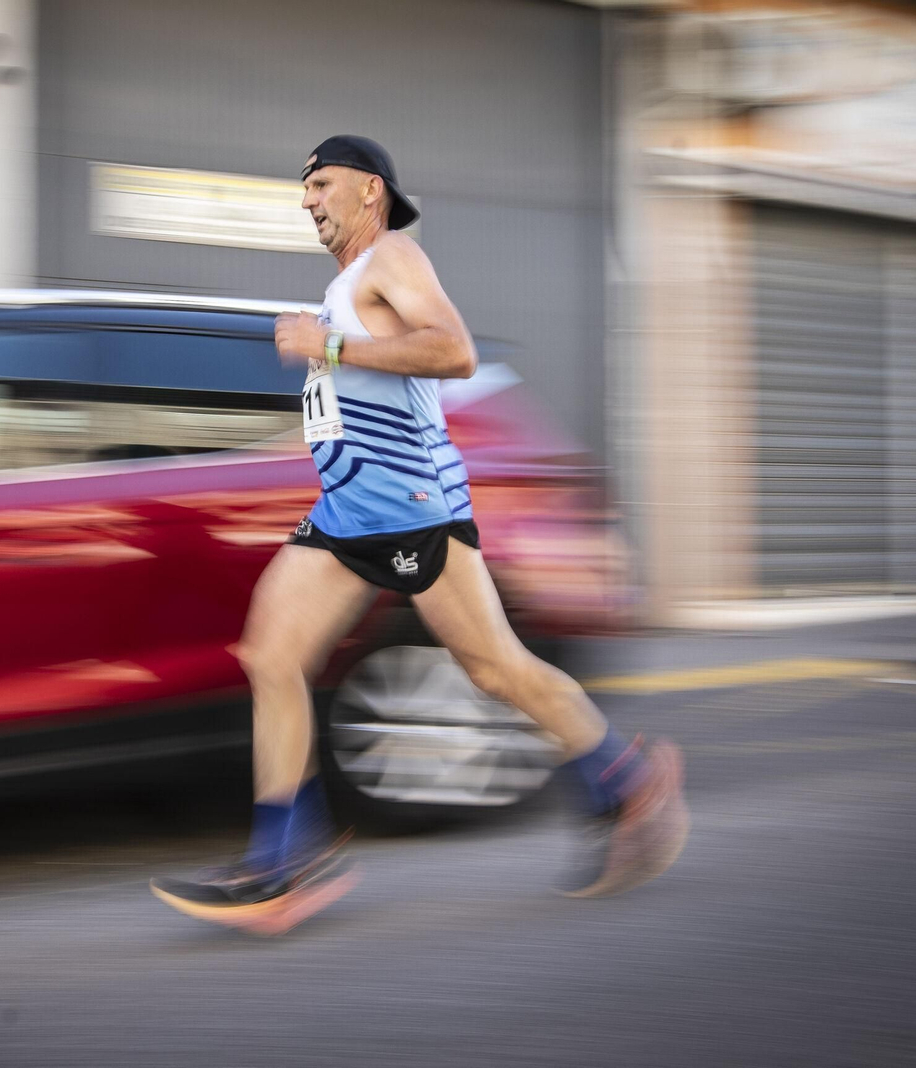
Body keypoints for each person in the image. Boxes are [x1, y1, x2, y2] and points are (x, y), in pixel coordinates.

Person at [151, 135, 687, 934]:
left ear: (370, 191)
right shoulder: (344, 285)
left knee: (496, 668)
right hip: (346, 514)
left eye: (321, 184)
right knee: (271, 655)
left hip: (413, 510)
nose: (307, 200)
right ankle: (283, 861)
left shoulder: (393, 257)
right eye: (305, 188)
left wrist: (328, 345)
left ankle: (627, 780)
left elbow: (453, 350)